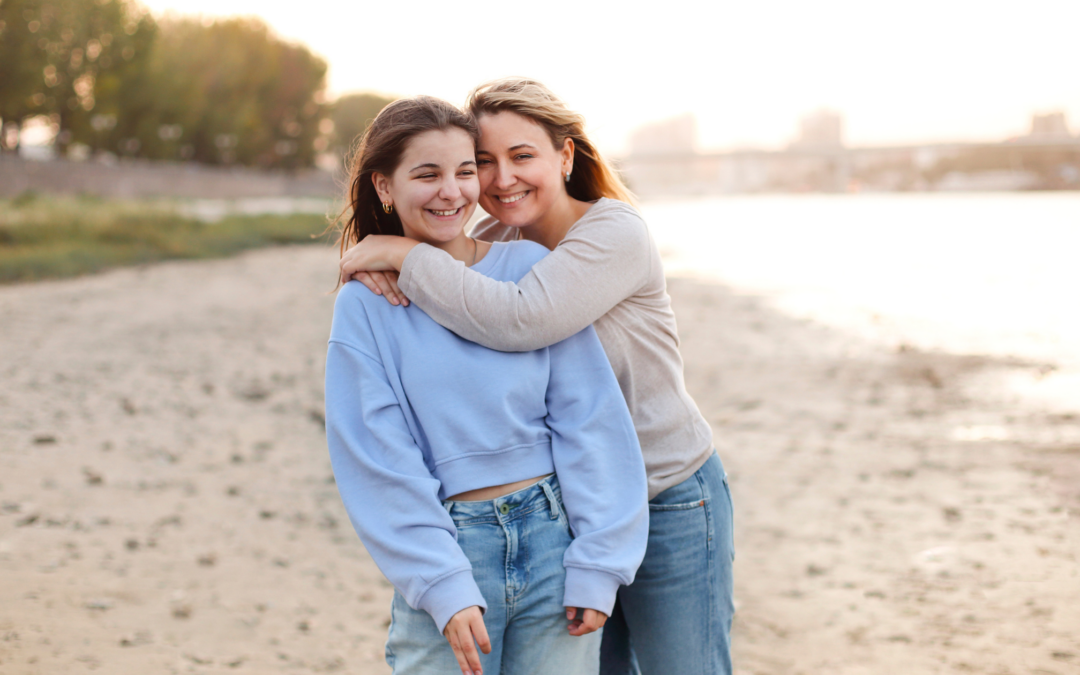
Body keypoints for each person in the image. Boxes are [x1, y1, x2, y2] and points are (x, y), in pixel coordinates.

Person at [338, 79, 736, 675]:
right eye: (485, 162)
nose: (500, 180)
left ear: (566, 155)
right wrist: (394, 257)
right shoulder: (495, 244)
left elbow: (524, 318)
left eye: (522, 156)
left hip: (665, 490)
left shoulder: (613, 232)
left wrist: (402, 255)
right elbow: (452, 274)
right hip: (573, 509)